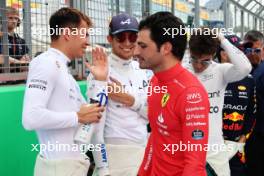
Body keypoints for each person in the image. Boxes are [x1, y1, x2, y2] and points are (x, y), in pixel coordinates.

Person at [22, 7, 105, 176]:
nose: (87, 41)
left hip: (71, 167)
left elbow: (93, 120)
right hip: (57, 169)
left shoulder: (63, 70)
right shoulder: (46, 63)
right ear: (67, 33)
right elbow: (30, 118)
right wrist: (77, 116)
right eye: (85, 34)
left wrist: (100, 81)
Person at [134, 12, 210, 176]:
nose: (135, 52)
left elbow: (195, 165)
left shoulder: (191, 94)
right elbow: (156, 138)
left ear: (166, 48)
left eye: (143, 46)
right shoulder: (155, 81)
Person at [86, 13, 149, 176]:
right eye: (120, 37)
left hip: (144, 155)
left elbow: (153, 116)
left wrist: (130, 100)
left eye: (132, 36)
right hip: (115, 159)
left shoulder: (143, 70)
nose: (127, 43)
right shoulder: (100, 73)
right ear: (109, 39)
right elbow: (95, 128)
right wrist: (102, 168)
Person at [183, 28, 252, 176]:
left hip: (214, 149)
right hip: (186, 148)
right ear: (189, 52)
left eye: (205, 61)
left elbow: (245, 67)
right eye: (195, 59)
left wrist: (222, 40)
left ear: (214, 55)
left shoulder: (220, 71)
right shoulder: (182, 70)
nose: (199, 65)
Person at [217, 35, 256, 176]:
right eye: (236, 50)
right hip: (214, 145)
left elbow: (253, 112)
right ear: (222, 53)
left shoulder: (249, 80)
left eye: (241, 50)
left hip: (237, 145)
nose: (241, 54)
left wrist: (243, 138)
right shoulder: (213, 76)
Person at [244, 30, 264, 176]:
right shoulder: (237, 70)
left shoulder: (260, 72)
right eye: (248, 50)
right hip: (241, 133)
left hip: (259, 133)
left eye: (256, 50)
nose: (252, 53)